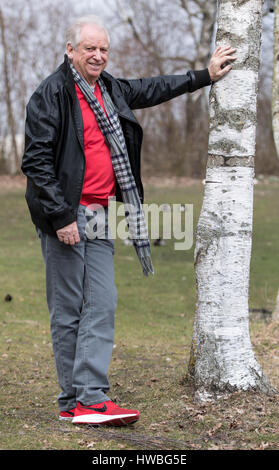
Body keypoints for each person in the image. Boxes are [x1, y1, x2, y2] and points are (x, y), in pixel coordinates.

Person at [21, 14, 236, 426]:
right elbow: (36, 161)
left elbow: (153, 88)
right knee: (68, 310)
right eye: (90, 49)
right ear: (70, 51)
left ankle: (85, 398)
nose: (98, 55)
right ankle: (80, 401)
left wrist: (204, 75)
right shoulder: (51, 95)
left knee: (101, 303)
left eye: (103, 49)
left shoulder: (110, 90)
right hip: (66, 217)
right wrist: (61, 215)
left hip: (100, 215)